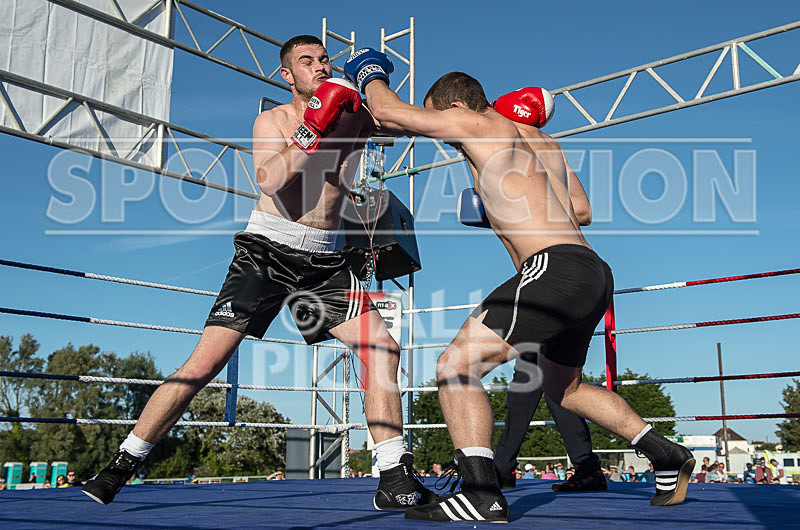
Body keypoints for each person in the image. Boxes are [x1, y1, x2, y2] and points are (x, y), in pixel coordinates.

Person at [82, 35, 438, 512]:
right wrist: (315, 124)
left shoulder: (354, 115)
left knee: (380, 347)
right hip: (267, 250)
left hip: (325, 262)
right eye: (306, 61)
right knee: (204, 365)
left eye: (324, 59)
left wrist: (372, 80)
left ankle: (393, 475)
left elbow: (406, 123)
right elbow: (270, 179)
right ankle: (123, 462)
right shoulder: (273, 120)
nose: (318, 66)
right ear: (287, 75)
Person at [347, 49, 695, 522]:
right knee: (565, 389)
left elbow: (390, 113)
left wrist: (369, 74)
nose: (444, 137)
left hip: (550, 268)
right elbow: (582, 211)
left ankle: (480, 491)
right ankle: (665, 453)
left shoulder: (477, 124)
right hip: (591, 270)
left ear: (453, 108)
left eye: (439, 118)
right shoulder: (540, 141)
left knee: (455, 366)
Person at [490, 87, 606, 494]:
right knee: (545, 378)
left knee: (528, 379)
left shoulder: (505, 139)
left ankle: (502, 467)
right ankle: (586, 467)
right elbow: (585, 211)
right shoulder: (553, 149)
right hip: (575, 274)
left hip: (546, 277)